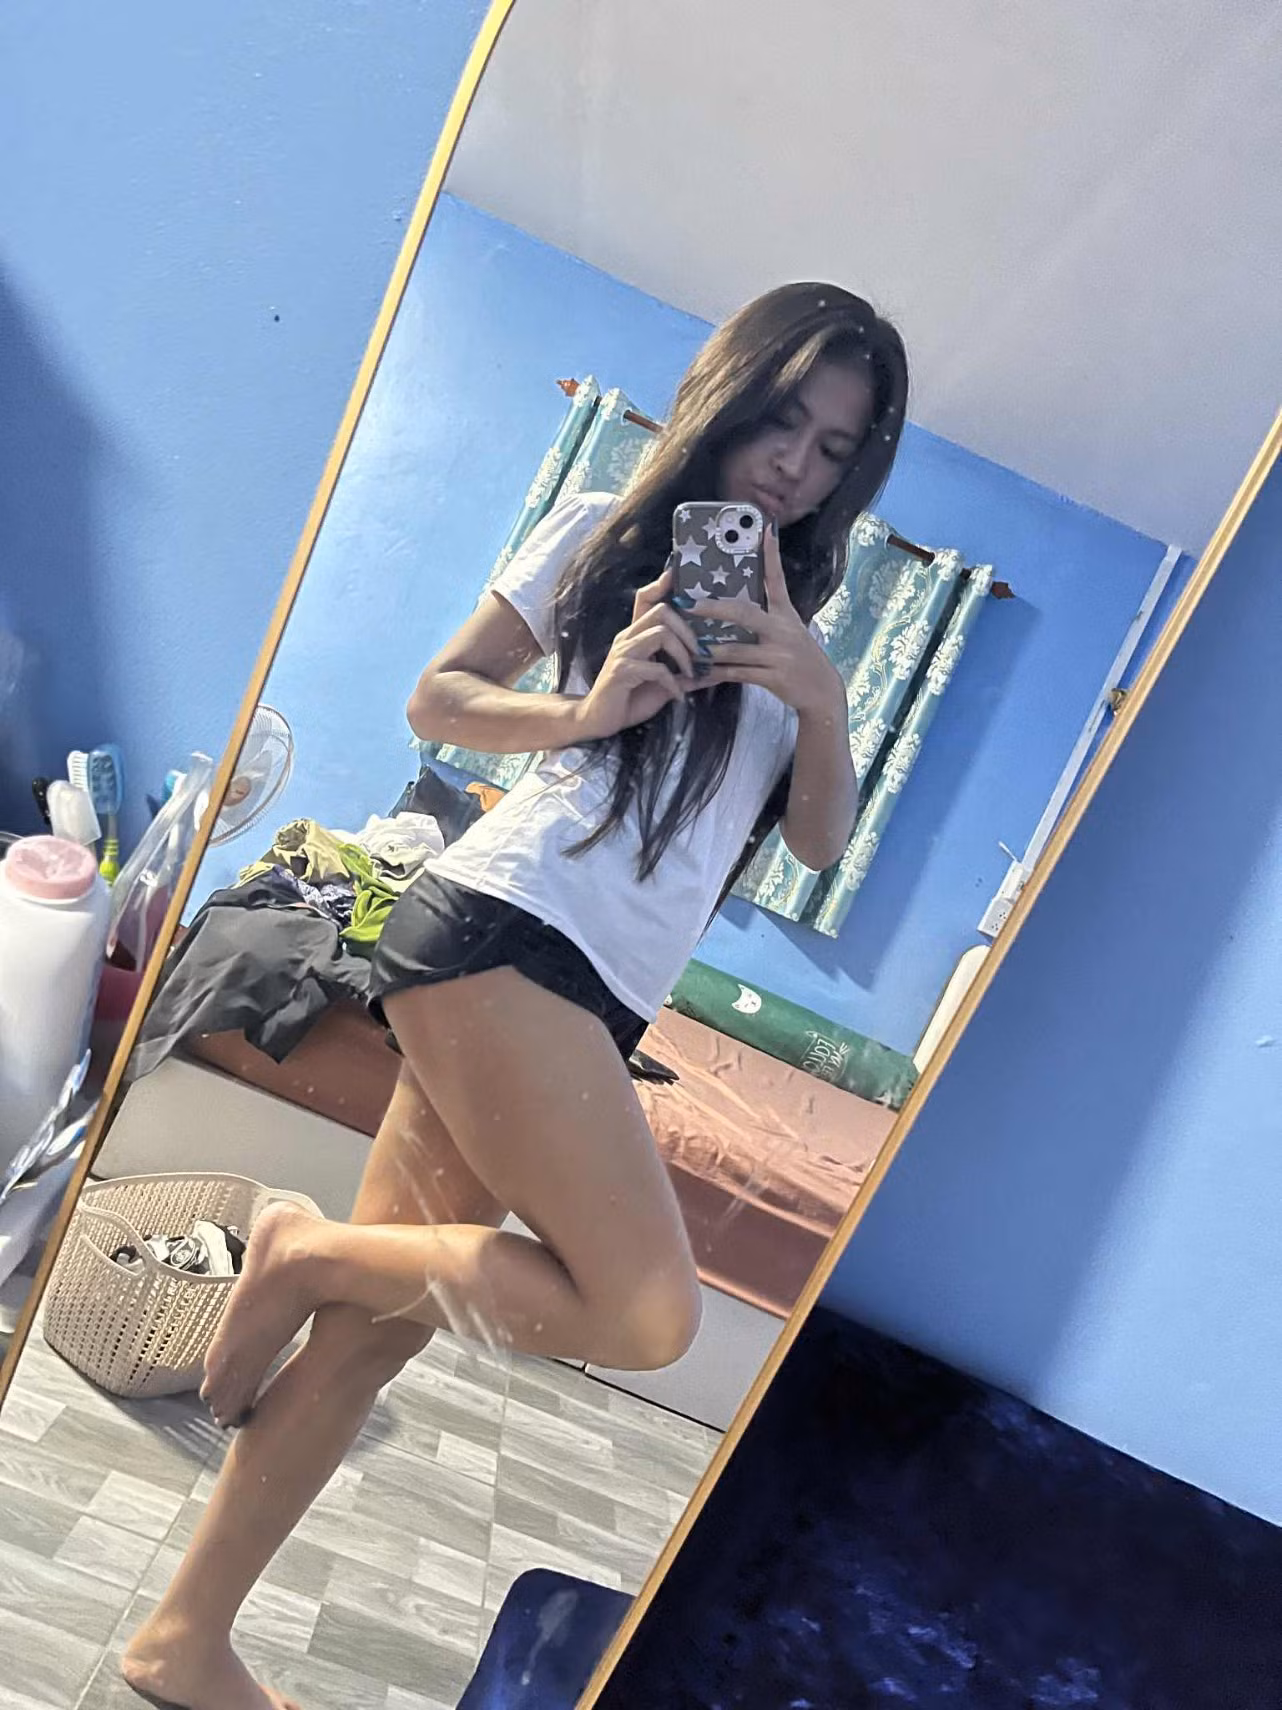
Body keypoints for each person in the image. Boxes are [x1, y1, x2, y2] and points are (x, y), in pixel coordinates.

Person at [122, 281, 908, 1710]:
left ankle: (183, 1638)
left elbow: (813, 841)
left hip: (587, 993)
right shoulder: (604, 531)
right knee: (648, 1314)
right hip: (506, 926)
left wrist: (822, 700)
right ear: (729, 400)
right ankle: (298, 1247)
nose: (795, 465)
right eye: (782, 421)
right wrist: (587, 710)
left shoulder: (804, 650)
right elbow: (439, 697)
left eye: (835, 448)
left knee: (376, 1333)